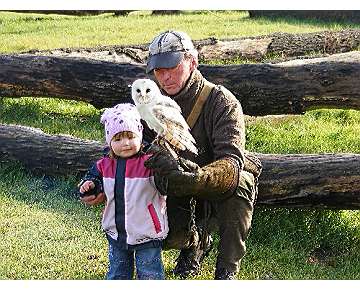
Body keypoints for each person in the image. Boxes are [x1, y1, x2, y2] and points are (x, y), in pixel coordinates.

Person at [142, 30, 262, 280]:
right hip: (174, 184)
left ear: (192, 62)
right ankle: (193, 243)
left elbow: (231, 163)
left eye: (171, 67)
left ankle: (227, 270)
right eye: (158, 70)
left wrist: (196, 178)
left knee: (241, 183)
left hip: (216, 181)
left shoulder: (222, 101)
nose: (164, 76)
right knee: (167, 231)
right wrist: (101, 181)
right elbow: (130, 148)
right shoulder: (149, 102)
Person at [78, 103, 168, 280]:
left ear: (140, 137)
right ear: (109, 142)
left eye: (130, 136)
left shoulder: (151, 162)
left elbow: (167, 182)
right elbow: (92, 180)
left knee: (150, 274)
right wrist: (88, 185)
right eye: (117, 139)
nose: (125, 143)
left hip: (147, 233)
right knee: (117, 273)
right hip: (116, 232)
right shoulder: (104, 165)